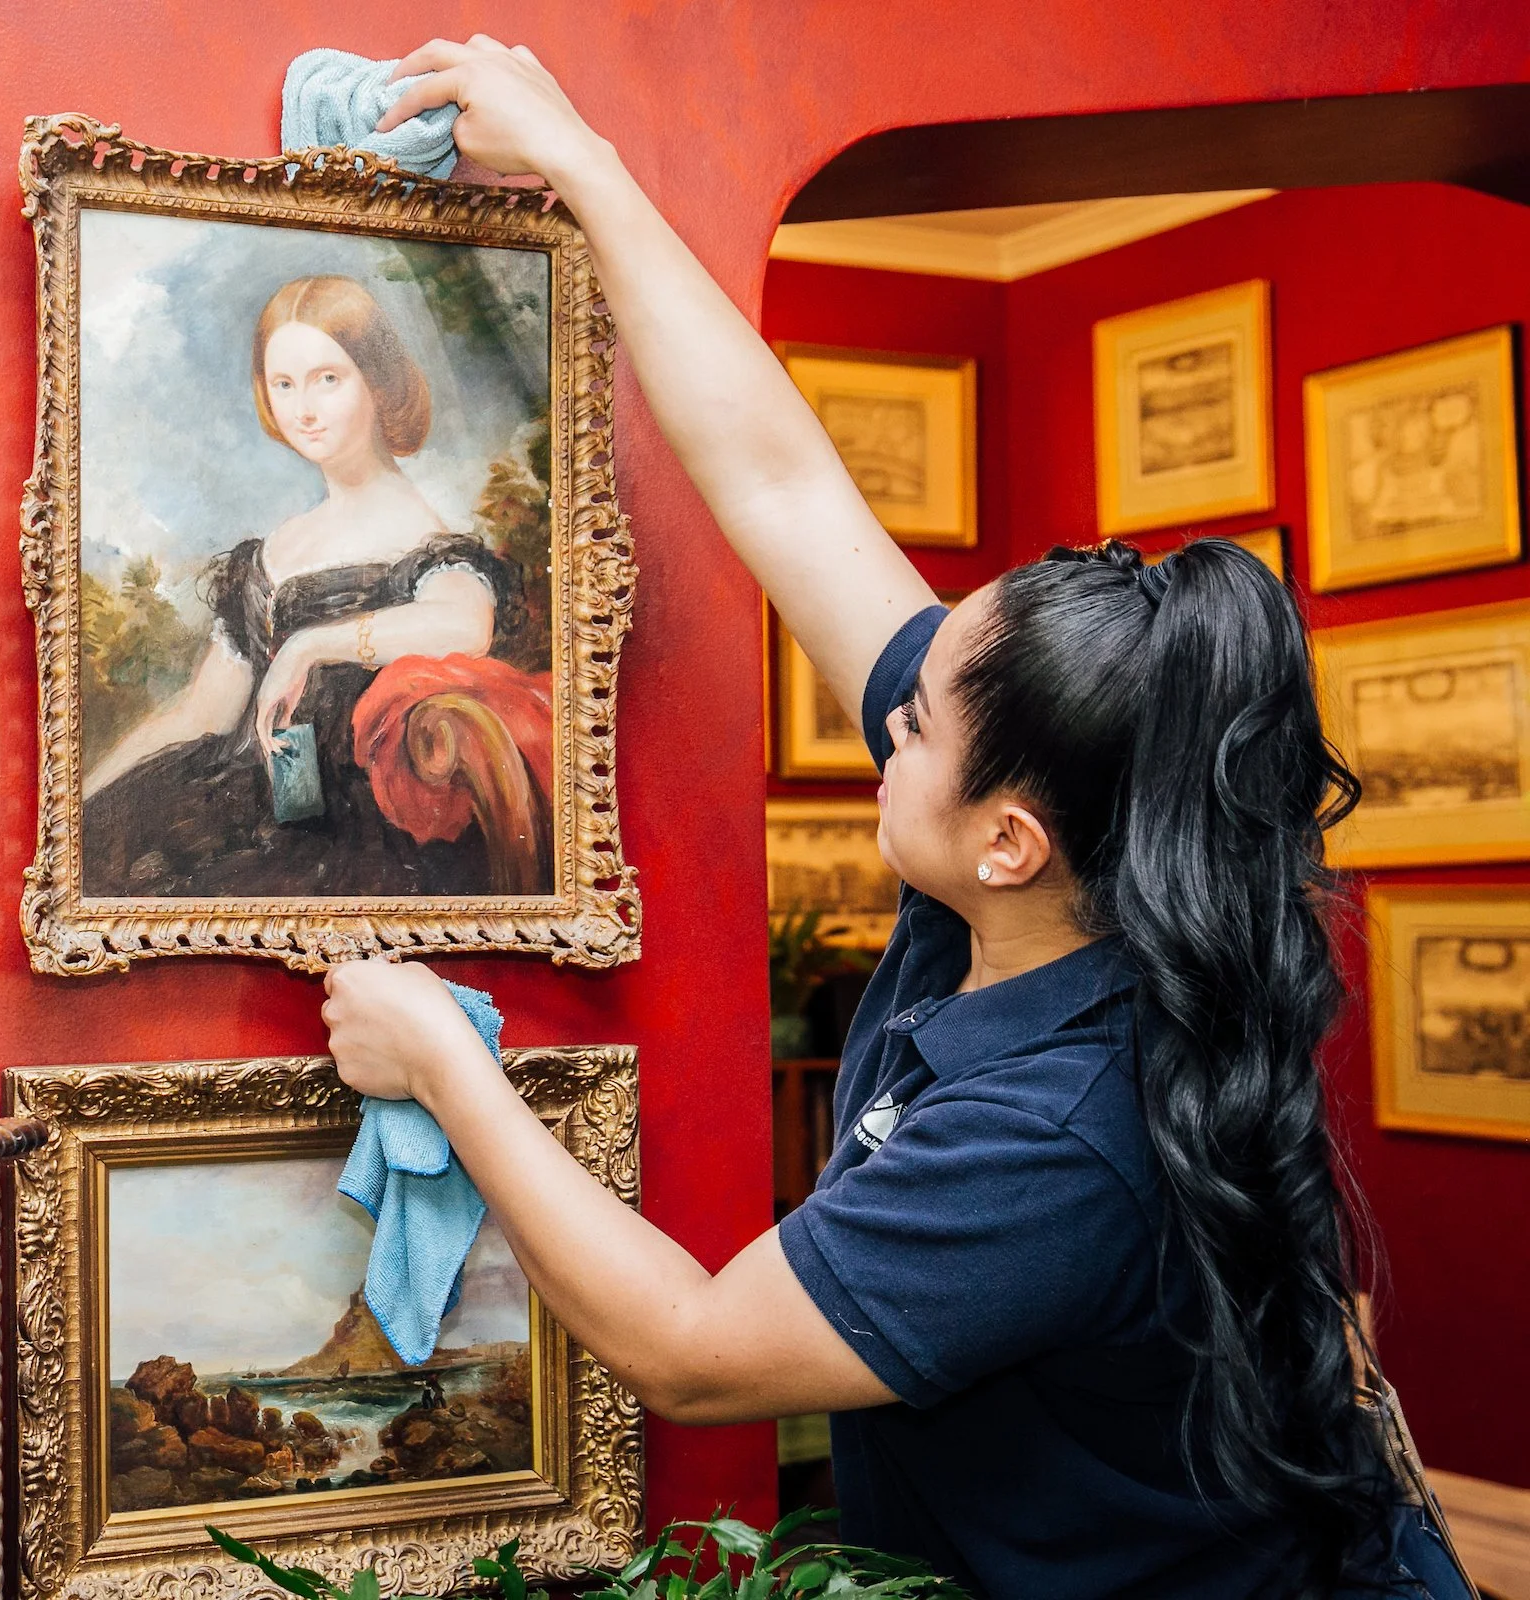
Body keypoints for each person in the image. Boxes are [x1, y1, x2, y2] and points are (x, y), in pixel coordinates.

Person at [318, 37, 1471, 1600]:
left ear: (1011, 840)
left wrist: (446, 1063)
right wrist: (580, 159)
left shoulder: (1059, 1135)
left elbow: (697, 1350)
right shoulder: (1040, 891)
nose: (890, 706)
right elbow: (787, 487)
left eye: (919, 722)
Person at [81, 274, 545, 898]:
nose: (304, 408)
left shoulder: (422, 540)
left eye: (329, 378)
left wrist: (310, 645)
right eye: (284, 384)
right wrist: (77, 797)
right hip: (243, 801)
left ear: (379, 383)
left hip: (347, 835)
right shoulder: (274, 550)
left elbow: (466, 626)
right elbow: (203, 713)